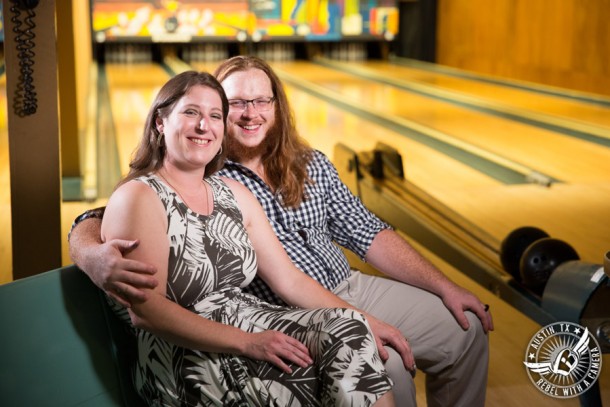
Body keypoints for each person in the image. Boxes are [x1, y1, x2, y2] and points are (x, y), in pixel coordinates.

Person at [69, 56, 494, 407]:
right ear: (161, 122)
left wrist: (430, 291)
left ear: (276, 106)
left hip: (320, 296)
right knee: (380, 363)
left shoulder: (260, 178)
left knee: (437, 330)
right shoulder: (161, 188)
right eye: (231, 105)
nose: (246, 114)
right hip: (229, 336)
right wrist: (88, 252)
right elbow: (108, 219)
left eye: (215, 114)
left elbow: (351, 242)